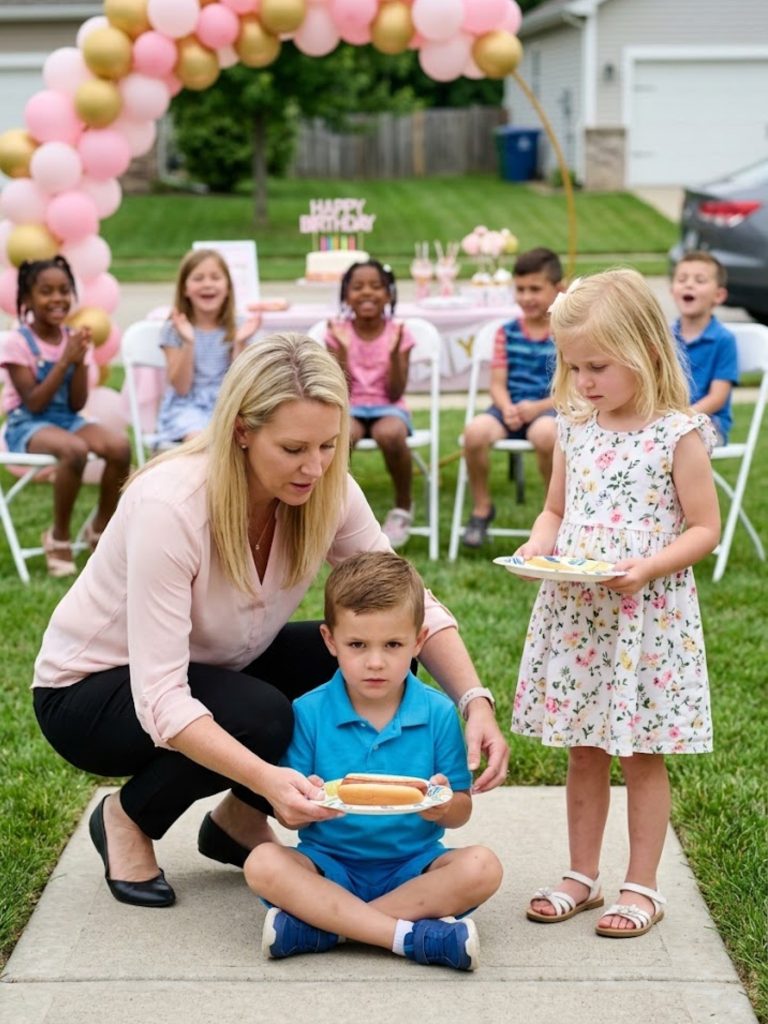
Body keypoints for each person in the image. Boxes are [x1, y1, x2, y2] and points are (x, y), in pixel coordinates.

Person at [31, 333, 508, 910]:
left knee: (363, 655)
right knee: (263, 718)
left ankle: (235, 822)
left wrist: (473, 699)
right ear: (241, 431)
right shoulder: (170, 508)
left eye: (329, 445)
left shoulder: (326, 490)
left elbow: (405, 603)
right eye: (293, 449)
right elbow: (160, 698)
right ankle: (128, 817)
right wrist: (267, 777)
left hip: (216, 662)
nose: (315, 466)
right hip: (90, 693)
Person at [511, 269, 720, 938]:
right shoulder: (576, 430)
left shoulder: (676, 433)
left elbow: (704, 529)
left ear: (646, 353)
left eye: (597, 366)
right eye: (574, 368)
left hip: (644, 618)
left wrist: (648, 566)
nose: (584, 382)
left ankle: (644, 885)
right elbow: (553, 509)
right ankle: (581, 873)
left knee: (641, 753)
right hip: (581, 616)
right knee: (582, 749)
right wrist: (537, 550)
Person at [246, 551, 503, 971]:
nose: (376, 661)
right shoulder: (308, 712)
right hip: (328, 865)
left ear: (419, 642)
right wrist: (305, 805)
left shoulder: (438, 713)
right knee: (262, 862)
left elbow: (460, 809)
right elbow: (288, 819)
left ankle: (327, 927)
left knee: (482, 866)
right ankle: (406, 937)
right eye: (357, 645)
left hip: (413, 867)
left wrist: (444, 807)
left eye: (393, 645)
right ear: (330, 641)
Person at [0, 256, 131, 577]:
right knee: (74, 450)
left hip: (66, 420)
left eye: (63, 290)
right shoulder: (17, 343)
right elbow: (33, 403)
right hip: (26, 424)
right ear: (27, 299)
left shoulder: (74, 340)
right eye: (46, 291)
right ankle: (58, 536)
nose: (57, 298)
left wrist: (78, 361)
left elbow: (76, 405)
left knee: (119, 447)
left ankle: (101, 527)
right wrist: (64, 362)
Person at [461, 247, 564, 548]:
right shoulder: (506, 332)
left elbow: (571, 389)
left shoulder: (564, 331)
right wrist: (506, 407)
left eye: (535, 289)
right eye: (520, 289)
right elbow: (497, 383)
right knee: (475, 432)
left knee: (546, 435)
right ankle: (482, 508)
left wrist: (538, 408)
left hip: (548, 409)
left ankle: (554, 512)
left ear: (557, 290)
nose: (527, 297)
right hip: (509, 408)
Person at [324, 259, 416, 549]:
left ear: (388, 294)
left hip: (388, 406)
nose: (367, 293)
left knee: (389, 434)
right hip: (349, 405)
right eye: (358, 287)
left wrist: (392, 355)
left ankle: (402, 506)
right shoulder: (337, 333)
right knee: (341, 436)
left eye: (376, 286)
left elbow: (395, 391)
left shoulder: (398, 333)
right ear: (345, 296)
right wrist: (342, 349)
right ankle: (334, 509)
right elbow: (339, 388)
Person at [155, 248, 260, 445]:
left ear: (228, 287)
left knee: (253, 437)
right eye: (198, 278)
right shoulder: (174, 329)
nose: (207, 284)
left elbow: (241, 385)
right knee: (202, 441)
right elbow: (181, 388)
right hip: (187, 407)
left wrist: (239, 343)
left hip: (229, 402)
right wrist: (189, 341)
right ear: (185, 289)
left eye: (215, 277)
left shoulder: (240, 326)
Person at [671, 249, 738, 445]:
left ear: (718, 295)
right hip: (671, 420)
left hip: (710, 423)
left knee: (680, 440)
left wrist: (683, 417)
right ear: (672, 290)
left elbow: (718, 397)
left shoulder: (723, 340)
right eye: (682, 279)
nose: (689, 284)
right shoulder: (664, 337)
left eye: (700, 280)